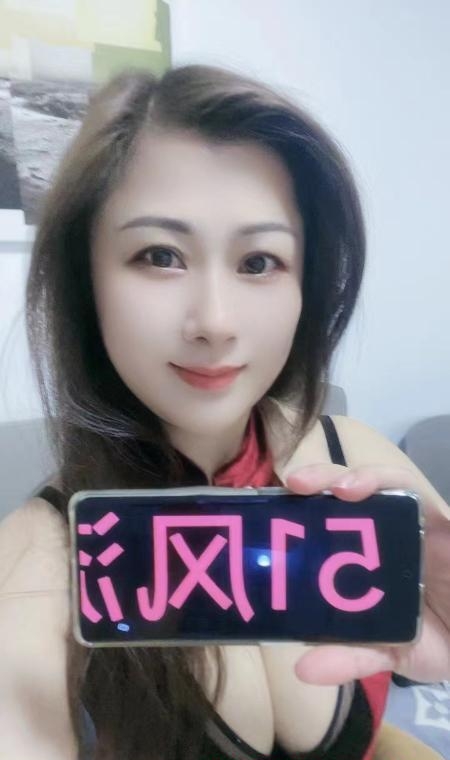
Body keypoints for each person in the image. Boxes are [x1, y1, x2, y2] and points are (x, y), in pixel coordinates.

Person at [0, 64, 448, 760]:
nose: (215, 322)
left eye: (259, 262)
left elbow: (381, 735)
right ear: (86, 282)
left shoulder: (358, 464)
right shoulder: (40, 564)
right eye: (160, 255)